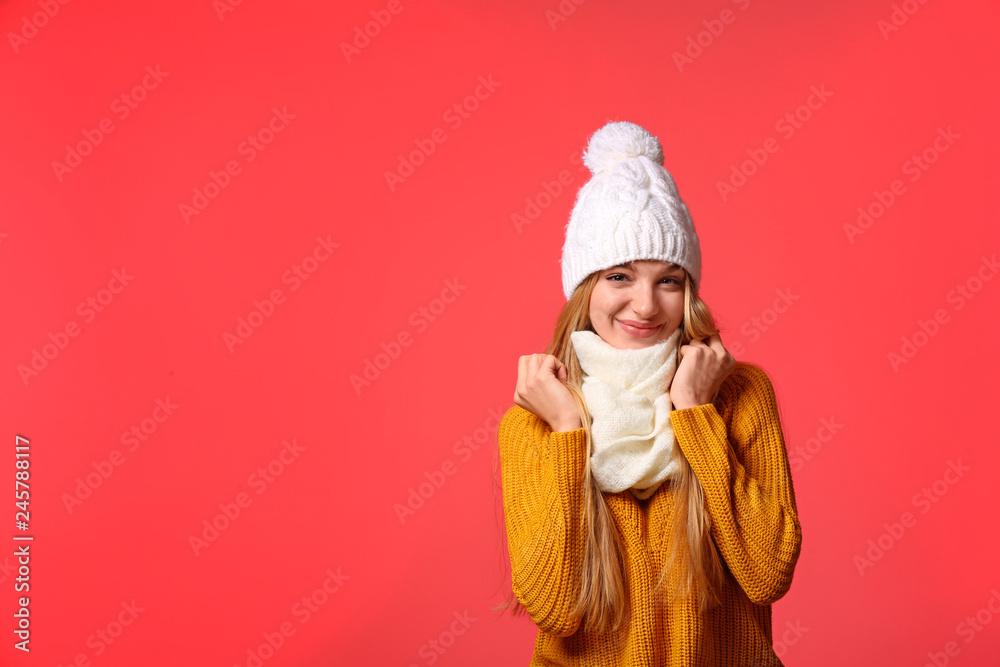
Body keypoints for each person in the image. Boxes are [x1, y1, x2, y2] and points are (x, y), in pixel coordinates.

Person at [495, 121, 802, 666]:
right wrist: (570, 434)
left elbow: (767, 573)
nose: (644, 306)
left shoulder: (739, 395)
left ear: (688, 291)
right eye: (619, 277)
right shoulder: (536, 419)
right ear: (583, 288)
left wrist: (696, 412)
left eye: (669, 280)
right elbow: (554, 607)